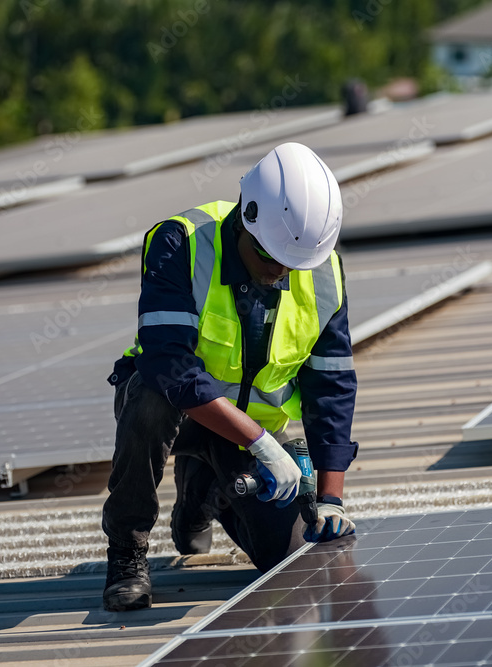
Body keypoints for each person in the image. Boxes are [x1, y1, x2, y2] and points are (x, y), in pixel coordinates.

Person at [101, 142, 359, 612]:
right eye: (270, 259)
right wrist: (260, 443)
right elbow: (170, 367)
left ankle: (202, 489)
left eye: (293, 264)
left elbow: (332, 389)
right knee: (151, 399)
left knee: (292, 556)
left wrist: (331, 499)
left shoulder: (322, 272)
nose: (281, 273)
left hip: (247, 432)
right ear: (245, 218)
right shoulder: (181, 242)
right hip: (175, 411)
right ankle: (126, 552)